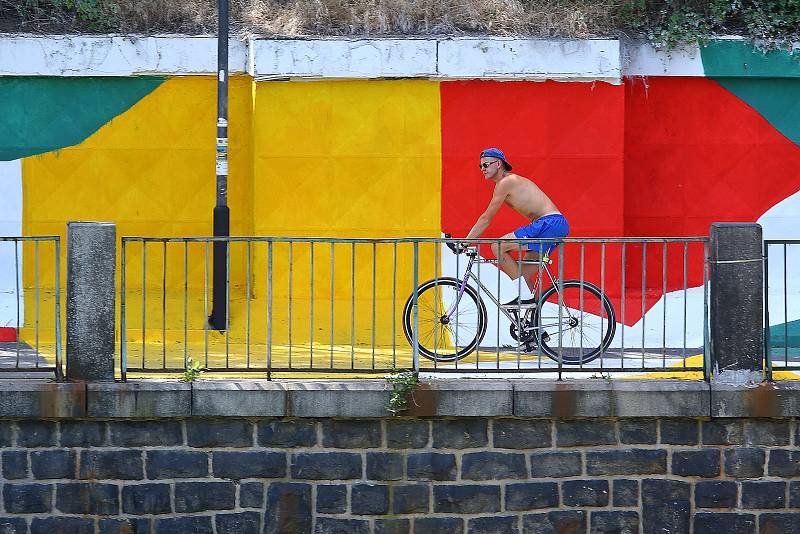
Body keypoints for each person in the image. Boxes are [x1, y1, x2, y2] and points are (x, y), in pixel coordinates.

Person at [463, 148, 569, 305]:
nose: (482, 169)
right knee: (523, 278)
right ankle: (535, 327)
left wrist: (464, 242)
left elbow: (486, 218)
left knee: (497, 247)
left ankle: (525, 298)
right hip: (553, 224)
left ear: (498, 163)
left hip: (549, 223)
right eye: (480, 167)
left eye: (485, 165)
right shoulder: (509, 182)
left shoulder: (506, 182)